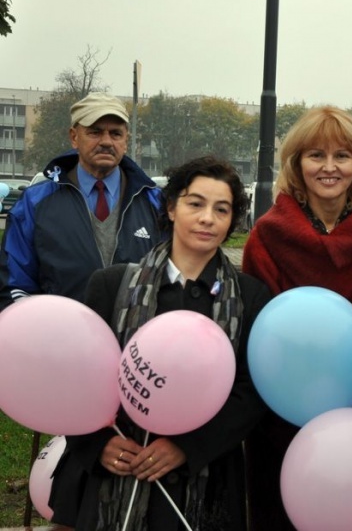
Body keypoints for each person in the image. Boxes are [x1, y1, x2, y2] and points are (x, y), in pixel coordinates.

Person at [48, 155, 272, 531]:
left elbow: (250, 391)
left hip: (205, 478)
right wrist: (97, 443)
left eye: (222, 209)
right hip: (114, 474)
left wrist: (188, 446)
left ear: (233, 221)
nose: (207, 218)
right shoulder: (112, 285)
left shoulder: (249, 297)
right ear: (171, 207)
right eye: (195, 203)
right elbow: (77, 377)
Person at [241, 105, 352, 530]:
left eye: (342, 156)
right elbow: (260, 333)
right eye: (316, 155)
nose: (329, 167)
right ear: (297, 164)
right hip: (284, 414)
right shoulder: (267, 236)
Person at [0, 91, 163, 308]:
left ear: (126, 141)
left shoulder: (155, 202)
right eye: (95, 132)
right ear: (74, 137)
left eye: (115, 134)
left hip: (136, 339)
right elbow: (15, 285)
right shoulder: (34, 204)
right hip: (62, 338)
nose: (106, 141)